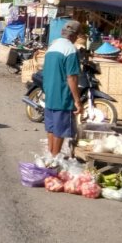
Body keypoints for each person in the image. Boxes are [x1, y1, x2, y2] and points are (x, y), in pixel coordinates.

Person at [42, 20, 83, 157]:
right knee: (60, 129)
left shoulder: (51, 47)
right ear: (75, 35)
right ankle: (54, 159)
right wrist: (77, 100)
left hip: (49, 94)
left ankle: (51, 157)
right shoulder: (70, 50)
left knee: (51, 128)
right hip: (62, 96)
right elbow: (72, 77)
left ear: (62, 33)